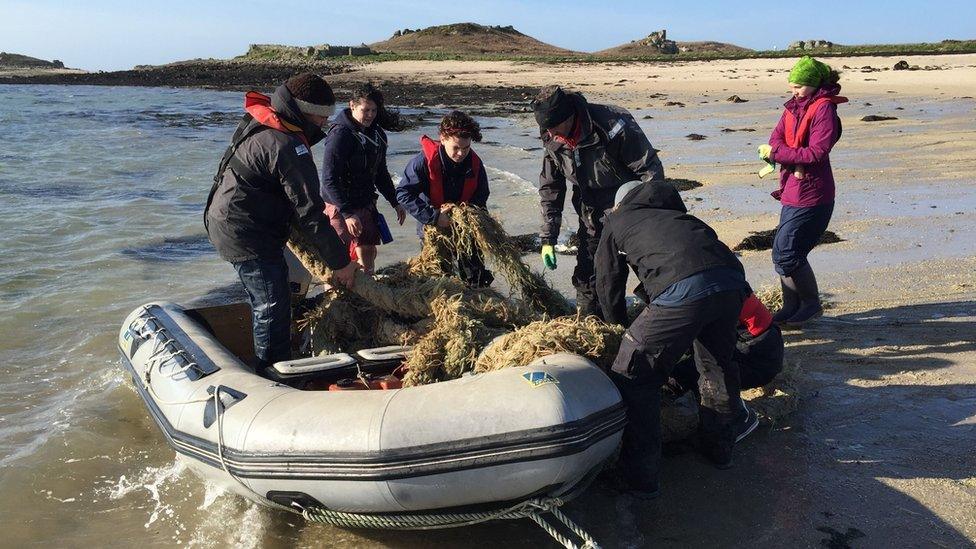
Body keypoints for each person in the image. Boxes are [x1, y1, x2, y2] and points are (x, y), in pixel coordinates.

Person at [595, 180, 751, 497]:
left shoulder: (617, 220)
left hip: (683, 290)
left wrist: (616, 329)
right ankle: (719, 450)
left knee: (634, 375)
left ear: (620, 204)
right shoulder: (683, 218)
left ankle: (640, 478)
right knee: (715, 367)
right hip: (732, 284)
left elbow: (607, 281)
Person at [205, 73, 358, 376]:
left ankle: (273, 355)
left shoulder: (268, 121)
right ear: (302, 110)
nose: (325, 123)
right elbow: (311, 213)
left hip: (233, 219)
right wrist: (342, 263)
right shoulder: (288, 145)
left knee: (275, 294)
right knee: (272, 304)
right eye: (321, 116)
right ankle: (271, 374)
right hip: (244, 231)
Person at [533, 85, 665, 318]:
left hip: (631, 210)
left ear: (569, 116)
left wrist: (648, 216)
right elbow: (551, 188)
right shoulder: (551, 136)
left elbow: (650, 171)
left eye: (554, 127)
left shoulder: (612, 123)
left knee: (654, 276)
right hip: (590, 214)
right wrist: (548, 237)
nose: (551, 134)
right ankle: (596, 327)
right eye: (546, 129)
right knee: (591, 280)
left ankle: (664, 320)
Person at [758, 56, 846, 326]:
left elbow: (817, 152)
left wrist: (780, 153)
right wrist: (778, 152)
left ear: (813, 84)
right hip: (792, 191)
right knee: (784, 252)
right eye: (791, 87)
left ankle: (811, 305)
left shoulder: (823, 110)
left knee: (787, 253)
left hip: (814, 195)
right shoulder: (792, 108)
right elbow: (776, 137)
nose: (793, 92)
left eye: (798, 86)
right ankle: (790, 305)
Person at [396, 110, 493, 287]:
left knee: (476, 276)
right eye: (456, 148)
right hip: (432, 226)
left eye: (466, 148)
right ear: (442, 138)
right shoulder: (423, 162)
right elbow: (403, 193)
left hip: (465, 226)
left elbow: (481, 199)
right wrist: (434, 217)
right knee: (439, 278)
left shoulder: (476, 165)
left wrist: (479, 225)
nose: (461, 153)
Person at [667, 293, 785, 435]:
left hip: (757, 358)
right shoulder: (708, 279)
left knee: (687, 374)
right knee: (686, 368)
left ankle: (737, 417)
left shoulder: (697, 293)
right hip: (752, 344)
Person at [320, 83, 406, 275]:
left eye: (374, 110)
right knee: (338, 260)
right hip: (339, 205)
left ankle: (368, 290)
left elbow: (381, 173)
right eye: (365, 110)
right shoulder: (340, 135)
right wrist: (347, 213)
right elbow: (328, 179)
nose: (370, 115)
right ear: (352, 106)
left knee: (368, 252)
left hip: (366, 201)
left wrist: (395, 202)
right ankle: (335, 296)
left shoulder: (378, 135)